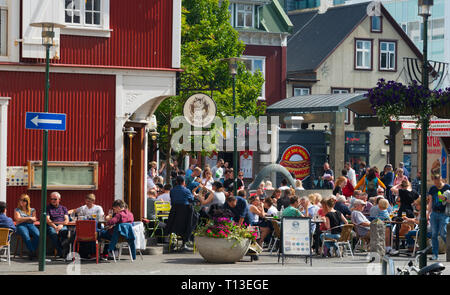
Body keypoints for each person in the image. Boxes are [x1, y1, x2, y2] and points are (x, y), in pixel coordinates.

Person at [166, 176, 198, 250]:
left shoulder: (172, 190)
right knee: (195, 218)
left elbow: (173, 200)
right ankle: (188, 238)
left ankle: (177, 240)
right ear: (183, 182)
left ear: (176, 182)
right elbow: (191, 199)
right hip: (186, 214)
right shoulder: (186, 190)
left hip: (174, 214)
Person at [426, 174, 450, 260]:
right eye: (435, 183)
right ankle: (435, 255)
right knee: (434, 234)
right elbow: (430, 202)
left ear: (441, 179)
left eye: (438, 183)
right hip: (434, 213)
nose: (436, 185)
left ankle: (449, 250)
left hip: (444, 213)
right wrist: (428, 214)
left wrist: (444, 199)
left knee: (444, 233)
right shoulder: (432, 189)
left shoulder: (447, 187)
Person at [13, 194, 39, 260]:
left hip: (30, 225)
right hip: (21, 226)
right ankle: (33, 252)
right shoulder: (17, 210)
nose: (21, 201)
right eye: (20, 200)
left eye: (24, 200)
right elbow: (18, 219)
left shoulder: (32, 210)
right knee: (26, 236)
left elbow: (34, 219)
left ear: (27, 201)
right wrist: (29, 218)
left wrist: (23, 218)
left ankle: (31, 252)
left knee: (38, 235)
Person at [46, 192, 69, 259]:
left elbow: (67, 220)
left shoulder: (63, 208)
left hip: (62, 225)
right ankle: (61, 253)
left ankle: (65, 252)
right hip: (52, 225)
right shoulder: (47, 208)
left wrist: (61, 225)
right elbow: (47, 219)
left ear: (59, 199)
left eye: (55, 199)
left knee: (65, 232)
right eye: (51, 199)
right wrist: (55, 227)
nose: (53, 200)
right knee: (53, 234)